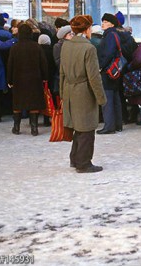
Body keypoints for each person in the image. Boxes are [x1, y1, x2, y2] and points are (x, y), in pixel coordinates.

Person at [60, 15, 107, 173]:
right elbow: (94, 76)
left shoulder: (66, 45)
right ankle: (84, 162)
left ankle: (75, 158)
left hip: (69, 89)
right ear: (87, 29)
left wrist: (62, 93)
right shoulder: (89, 48)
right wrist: (101, 98)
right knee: (86, 128)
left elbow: (62, 73)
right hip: (83, 91)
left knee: (77, 127)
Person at [7, 24, 48, 136]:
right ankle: (34, 129)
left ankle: (16, 127)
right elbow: (43, 64)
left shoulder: (14, 47)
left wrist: (9, 80)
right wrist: (45, 77)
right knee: (33, 103)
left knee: (18, 104)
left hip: (18, 79)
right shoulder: (36, 46)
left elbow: (10, 65)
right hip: (34, 79)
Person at [97, 13, 125, 134]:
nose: (103, 23)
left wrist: (100, 66)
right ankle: (117, 124)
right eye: (103, 21)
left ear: (112, 24)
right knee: (115, 97)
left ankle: (109, 126)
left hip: (108, 71)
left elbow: (107, 53)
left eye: (106, 22)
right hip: (114, 71)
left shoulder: (109, 35)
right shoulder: (115, 34)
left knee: (107, 98)